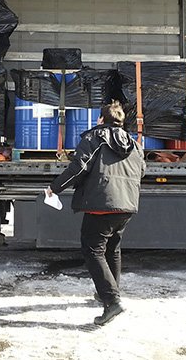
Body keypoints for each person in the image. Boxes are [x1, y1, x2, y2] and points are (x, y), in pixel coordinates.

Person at [46, 100, 146, 325]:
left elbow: (79, 168)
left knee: (93, 250)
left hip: (101, 204)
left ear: (101, 119)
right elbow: (142, 171)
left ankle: (111, 302)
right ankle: (109, 293)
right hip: (126, 205)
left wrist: (54, 188)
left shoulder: (94, 138)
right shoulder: (134, 144)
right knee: (112, 249)